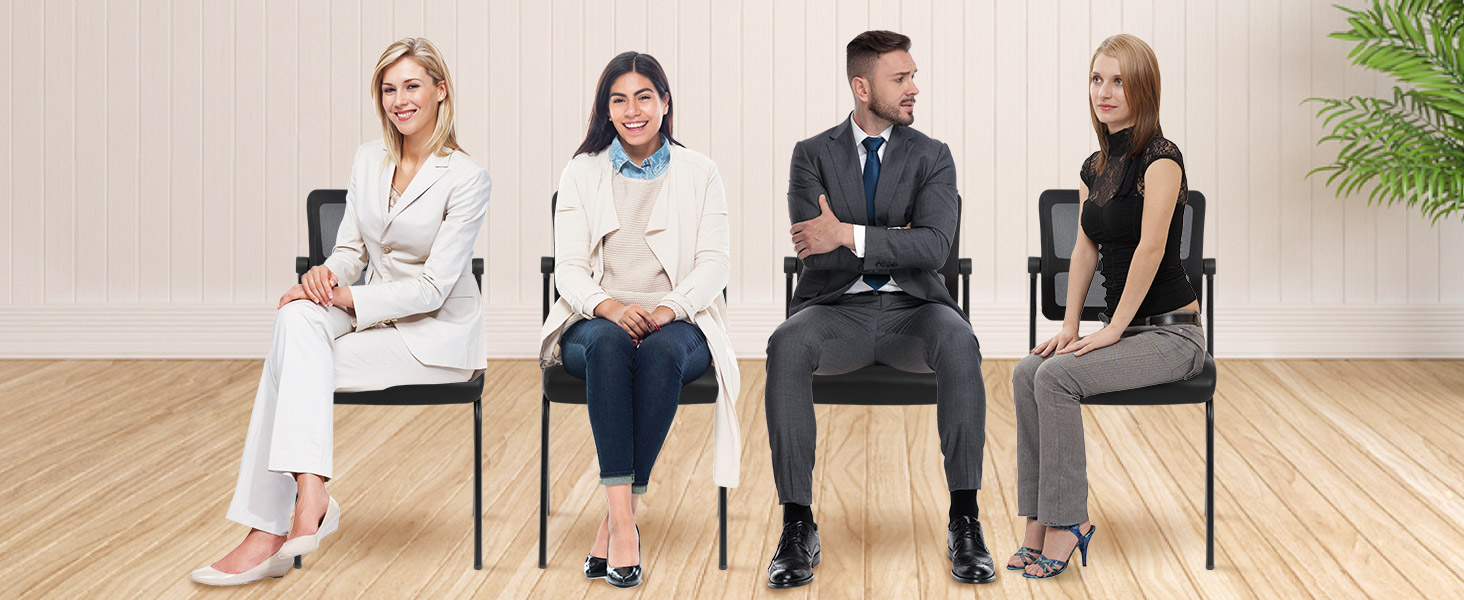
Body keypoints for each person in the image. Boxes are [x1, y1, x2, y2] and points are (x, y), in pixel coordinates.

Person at [189, 37, 490, 586]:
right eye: (389, 88)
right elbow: (352, 250)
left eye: (412, 86)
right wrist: (326, 276)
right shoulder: (368, 157)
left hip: (435, 338)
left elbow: (431, 289)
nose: (400, 100)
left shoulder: (467, 177)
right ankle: (310, 492)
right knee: (295, 319)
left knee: (289, 362)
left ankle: (267, 530)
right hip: (373, 313)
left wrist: (348, 298)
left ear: (441, 92)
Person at [762, 30, 994, 588]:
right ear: (862, 87)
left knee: (961, 340)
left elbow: (936, 247)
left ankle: (965, 519)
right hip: (834, 312)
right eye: (901, 78)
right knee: (785, 343)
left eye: (913, 75)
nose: (915, 87)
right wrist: (891, 237)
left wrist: (848, 233)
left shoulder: (933, 156)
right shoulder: (810, 155)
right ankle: (797, 526)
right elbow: (810, 244)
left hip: (914, 313)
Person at [538, 51, 739, 590]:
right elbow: (571, 270)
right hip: (595, 317)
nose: (633, 110)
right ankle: (626, 522)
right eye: (619, 99)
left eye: (644, 96)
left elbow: (714, 264)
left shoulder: (701, 172)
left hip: (679, 318)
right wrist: (610, 307)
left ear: (665, 102)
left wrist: (667, 308)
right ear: (606, 110)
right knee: (609, 347)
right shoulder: (581, 171)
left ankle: (612, 518)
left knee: (663, 351)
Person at [1008, 33, 1206, 580]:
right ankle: (1037, 519)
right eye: (1098, 78)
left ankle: (1068, 523)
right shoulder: (1094, 166)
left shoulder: (1163, 158)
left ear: (1143, 88)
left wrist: (1114, 329)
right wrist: (1071, 327)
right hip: (1127, 332)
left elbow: (1152, 247)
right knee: (1028, 372)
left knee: (1054, 381)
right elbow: (1085, 246)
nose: (1106, 90)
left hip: (1172, 335)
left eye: (1119, 80)